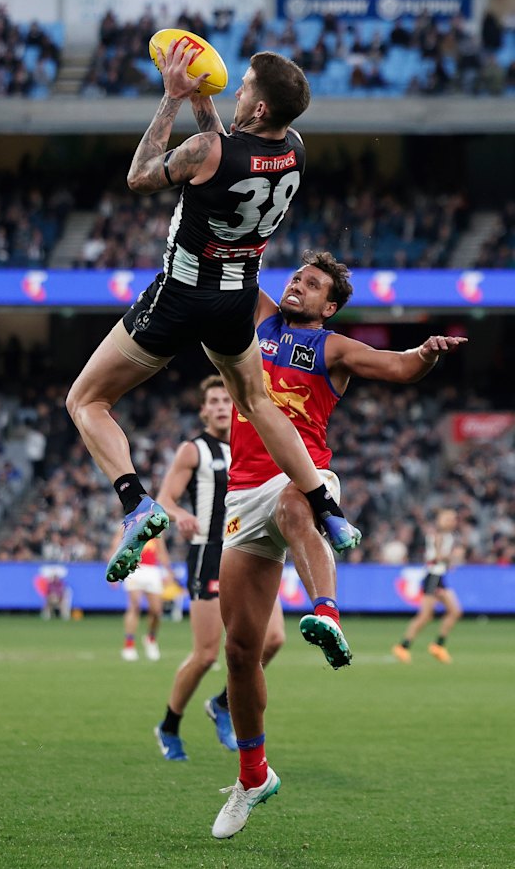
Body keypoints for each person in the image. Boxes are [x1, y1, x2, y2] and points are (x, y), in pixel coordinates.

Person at [66, 41, 361, 585]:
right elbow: (230, 151)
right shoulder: (294, 148)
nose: (238, 89)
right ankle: (327, 508)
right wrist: (207, 99)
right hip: (236, 300)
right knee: (256, 400)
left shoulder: (205, 151)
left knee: (86, 400)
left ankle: (135, 503)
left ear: (261, 107)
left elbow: (140, 175)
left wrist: (174, 97)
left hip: (180, 293)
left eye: (245, 85)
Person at [211, 250, 468, 839]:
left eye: (313, 284)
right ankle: (254, 776)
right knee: (241, 651)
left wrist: (425, 354)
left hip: (304, 475)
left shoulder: (334, 348)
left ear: (329, 305)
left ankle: (325, 611)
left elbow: (398, 367)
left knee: (296, 504)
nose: (298, 286)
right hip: (242, 496)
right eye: (297, 277)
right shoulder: (259, 321)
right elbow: (233, 266)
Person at [154, 375, 285, 760]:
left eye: (226, 400)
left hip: (252, 551)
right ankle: (169, 726)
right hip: (209, 553)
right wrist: (180, 516)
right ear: (203, 410)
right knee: (207, 653)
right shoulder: (194, 450)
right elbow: (165, 499)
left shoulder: (256, 443)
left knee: (274, 639)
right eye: (213, 400)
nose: (221, 406)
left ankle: (224, 703)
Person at [392, 508, 463, 665]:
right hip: (432, 576)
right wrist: (453, 557)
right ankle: (403, 646)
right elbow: (437, 557)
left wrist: (450, 560)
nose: (452, 522)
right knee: (426, 616)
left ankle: (438, 645)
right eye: (448, 519)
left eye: (453, 519)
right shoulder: (437, 535)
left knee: (455, 611)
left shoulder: (449, 536)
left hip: (440, 576)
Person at [118, 536, 174, 662]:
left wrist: (168, 571)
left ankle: (151, 638)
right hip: (133, 568)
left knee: (156, 611)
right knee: (134, 605)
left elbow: (161, 551)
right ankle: (129, 644)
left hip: (151, 570)